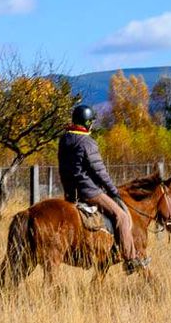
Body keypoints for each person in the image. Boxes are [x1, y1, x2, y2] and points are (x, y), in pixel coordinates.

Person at [59, 104, 146, 274]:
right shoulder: (87, 142)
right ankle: (130, 259)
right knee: (121, 216)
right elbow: (99, 172)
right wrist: (113, 191)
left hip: (70, 191)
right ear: (87, 123)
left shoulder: (64, 139)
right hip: (89, 192)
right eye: (91, 121)